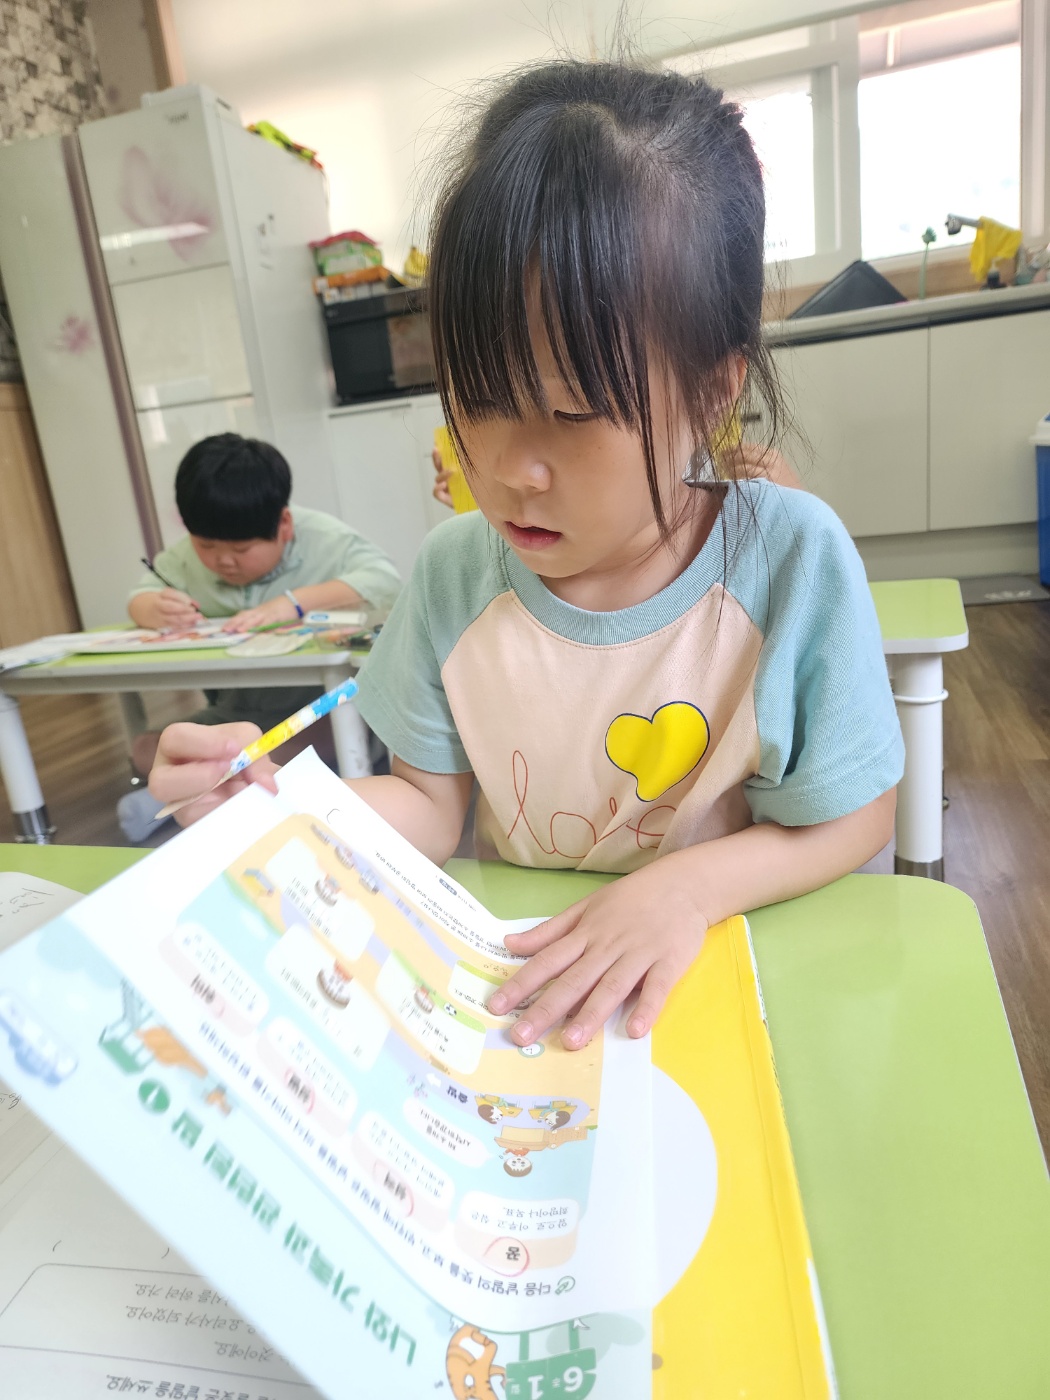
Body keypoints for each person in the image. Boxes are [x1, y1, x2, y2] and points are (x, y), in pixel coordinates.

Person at [149, 61, 902, 1052]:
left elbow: (855, 816)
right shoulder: (456, 572)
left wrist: (683, 889)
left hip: (729, 973)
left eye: (571, 413)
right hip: (530, 1007)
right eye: (475, 398)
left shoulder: (789, 559)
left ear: (712, 394)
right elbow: (427, 805)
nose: (507, 470)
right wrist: (271, 805)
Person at [118, 433, 401, 838]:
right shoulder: (183, 556)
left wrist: (294, 604)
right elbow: (141, 596)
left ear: (284, 524)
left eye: (242, 549)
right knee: (148, 747)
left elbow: (385, 581)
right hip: (233, 714)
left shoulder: (325, 538)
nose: (223, 561)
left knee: (315, 737)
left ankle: (170, 801)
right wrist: (152, 608)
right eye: (206, 546)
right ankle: (223, 788)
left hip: (312, 713)